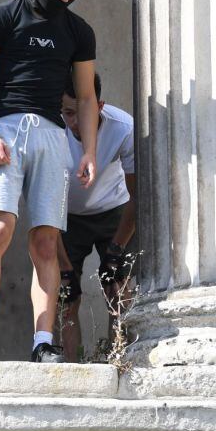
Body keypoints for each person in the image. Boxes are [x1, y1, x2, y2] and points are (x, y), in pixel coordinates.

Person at [0, 0, 99, 363]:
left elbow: (87, 97)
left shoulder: (78, 31)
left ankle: (43, 340)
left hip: (52, 135)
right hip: (2, 128)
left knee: (46, 241)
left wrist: (88, 148)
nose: (66, 1)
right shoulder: (4, 16)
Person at [46, 73, 136, 362]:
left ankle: (121, 362)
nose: (73, 121)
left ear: (99, 106)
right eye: (67, 112)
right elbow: (44, 208)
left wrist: (117, 250)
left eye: (81, 112)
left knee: (119, 292)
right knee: (66, 298)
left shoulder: (123, 128)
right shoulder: (51, 129)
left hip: (114, 211)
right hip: (65, 218)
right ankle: (72, 370)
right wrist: (64, 268)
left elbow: (139, 198)